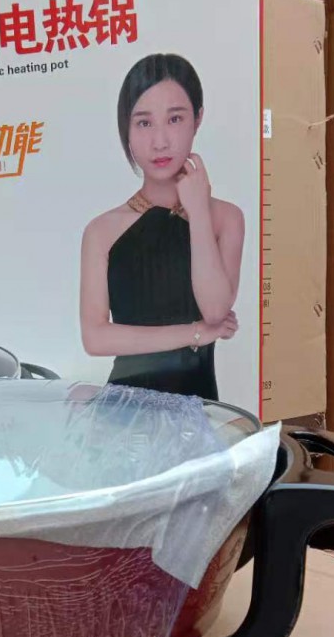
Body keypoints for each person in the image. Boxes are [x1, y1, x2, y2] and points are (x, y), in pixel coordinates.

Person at [80, 53, 245, 399]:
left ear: (198, 119)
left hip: (199, 409)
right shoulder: (102, 231)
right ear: (126, 129)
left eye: (174, 119)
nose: (160, 141)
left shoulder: (225, 218)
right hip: (123, 412)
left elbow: (216, 310)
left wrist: (198, 211)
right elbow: (95, 338)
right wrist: (194, 332)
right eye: (144, 123)